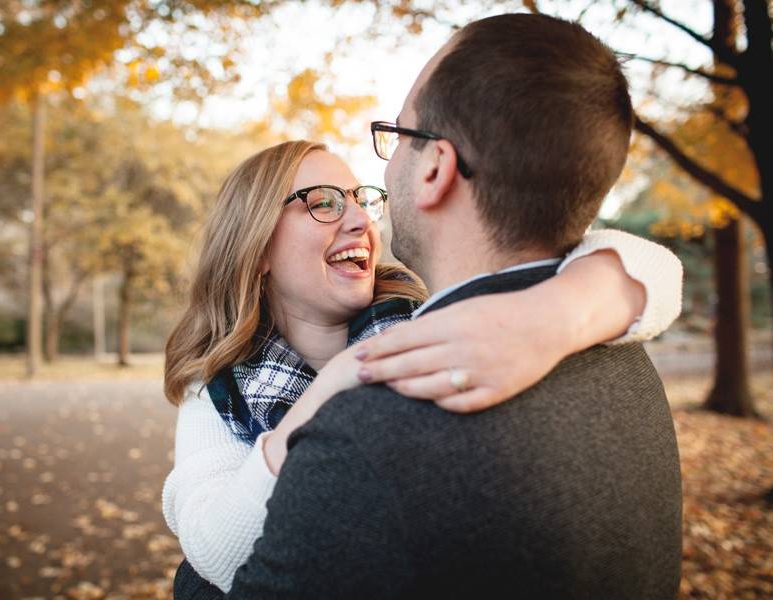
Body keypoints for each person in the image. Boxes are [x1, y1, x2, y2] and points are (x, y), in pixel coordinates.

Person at [170, 13, 682, 599]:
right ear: (254, 244)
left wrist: (559, 314)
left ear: (436, 167)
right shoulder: (624, 355)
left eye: (364, 192)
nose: (365, 215)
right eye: (324, 202)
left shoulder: (395, 391)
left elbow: (213, 575)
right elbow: (212, 539)